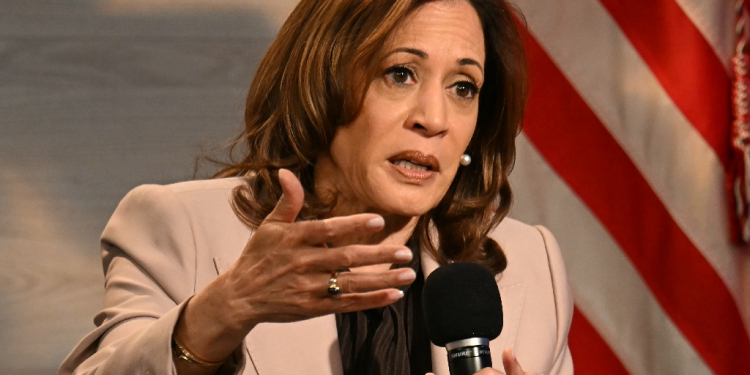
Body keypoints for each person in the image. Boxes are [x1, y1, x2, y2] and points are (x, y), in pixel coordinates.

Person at [59, 0, 573, 374]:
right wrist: (226, 309)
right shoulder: (181, 229)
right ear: (323, 83)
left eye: (463, 87)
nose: (434, 119)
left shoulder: (531, 266)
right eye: (400, 74)